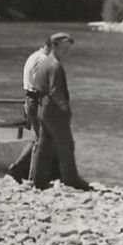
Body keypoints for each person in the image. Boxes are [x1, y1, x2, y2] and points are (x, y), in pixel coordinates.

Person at [28, 32, 90, 191]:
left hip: (43, 109)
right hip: (55, 111)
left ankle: (38, 181)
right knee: (66, 145)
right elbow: (56, 92)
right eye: (65, 46)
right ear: (54, 45)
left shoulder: (43, 63)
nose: (67, 50)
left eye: (68, 46)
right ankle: (72, 181)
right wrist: (64, 107)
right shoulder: (55, 65)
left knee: (44, 145)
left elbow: (36, 86)